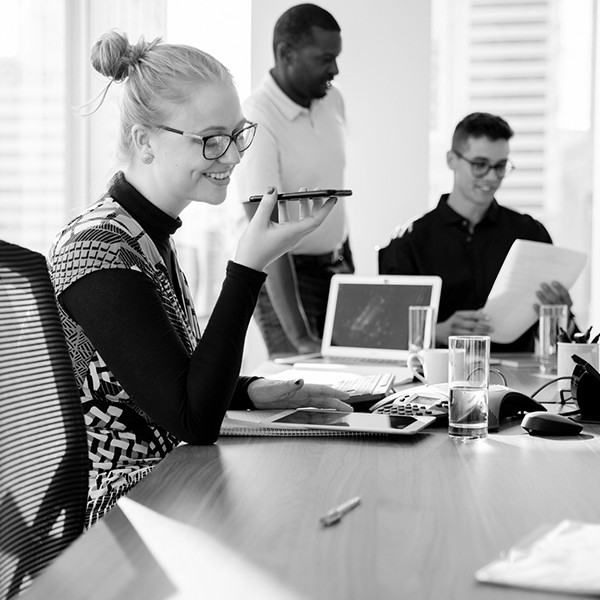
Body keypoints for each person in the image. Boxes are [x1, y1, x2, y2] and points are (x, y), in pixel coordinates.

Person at [47, 31, 352, 528]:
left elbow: (167, 385)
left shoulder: (146, 234)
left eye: (237, 135)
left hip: (169, 482)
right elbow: (192, 419)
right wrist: (249, 266)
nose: (233, 158)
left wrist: (250, 391)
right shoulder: (98, 248)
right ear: (145, 141)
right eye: (213, 140)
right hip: (117, 507)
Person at [378, 112, 576, 352]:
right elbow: (385, 334)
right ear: (452, 160)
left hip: (518, 381)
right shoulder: (408, 242)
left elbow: (563, 339)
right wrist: (438, 332)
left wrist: (561, 315)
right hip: (436, 382)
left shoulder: (530, 233)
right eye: (480, 165)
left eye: (500, 166)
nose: (492, 177)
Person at [233, 3, 354, 358]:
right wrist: (299, 335)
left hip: (336, 269)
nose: (335, 69)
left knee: (354, 384)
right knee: (301, 392)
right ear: (286, 53)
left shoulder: (333, 100)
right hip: (287, 279)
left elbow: (335, 188)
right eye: (325, 58)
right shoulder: (257, 119)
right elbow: (264, 230)